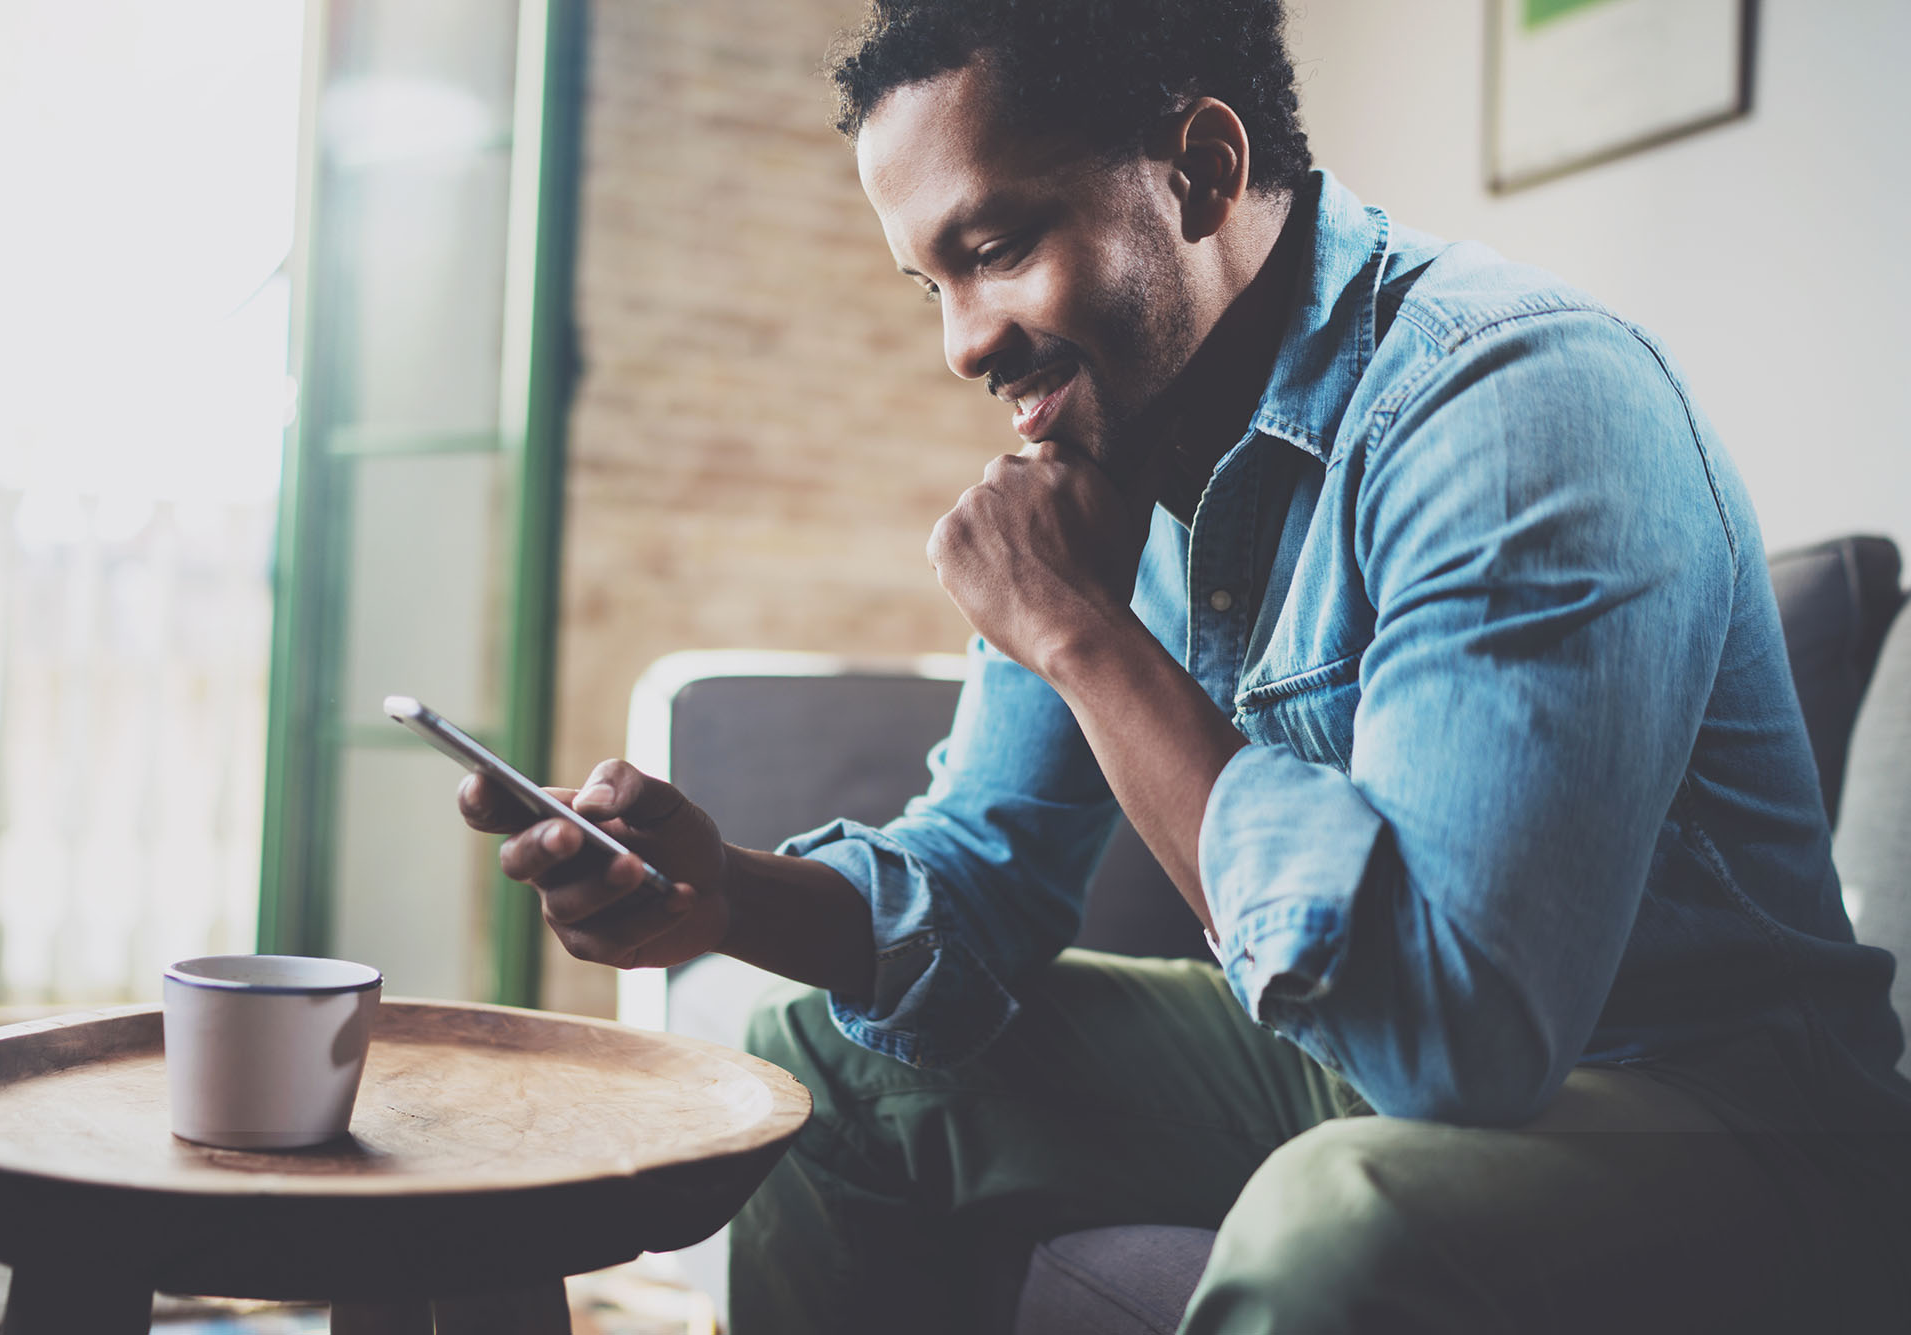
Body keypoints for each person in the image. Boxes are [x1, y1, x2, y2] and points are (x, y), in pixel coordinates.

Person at [460, 1, 1911, 1330]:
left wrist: (1080, 636)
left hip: (1725, 1114)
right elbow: (980, 877)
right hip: (1374, 1058)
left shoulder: (1518, 405)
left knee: (1342, 1212)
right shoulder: (1119, 447)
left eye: (998, 245)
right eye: (929, 285)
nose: (965, 343)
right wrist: (718, 893)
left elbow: (1465, 1042)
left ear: (1202, 172)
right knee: (828, 1072)